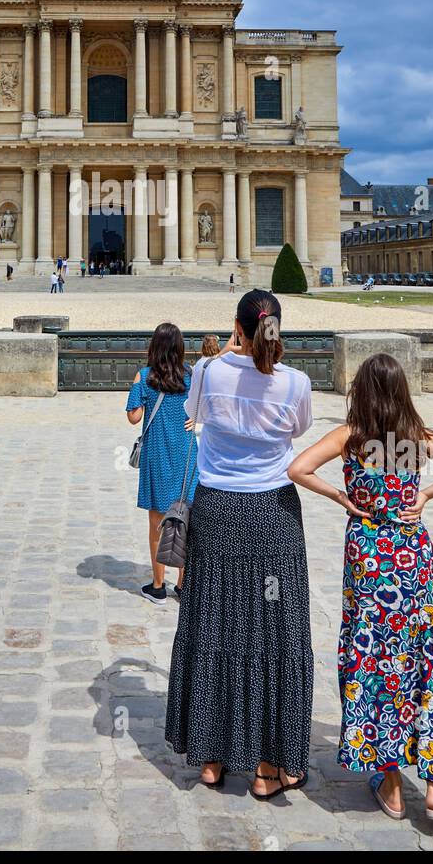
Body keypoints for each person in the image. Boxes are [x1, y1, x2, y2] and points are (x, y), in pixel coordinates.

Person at [288, 353, 433, 825]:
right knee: (422, 658)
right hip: (412, 557)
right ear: (402, 392)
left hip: (368, 562)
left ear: (360, 391)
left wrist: (344, 498)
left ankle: (393, 786)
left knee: (371, 658)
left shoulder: (350, 437)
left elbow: (297, 469)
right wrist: (424, 495)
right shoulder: (418, 438)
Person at [165, 289, 314, 797]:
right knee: (274, 635)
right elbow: (297, 430)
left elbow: (195, 413)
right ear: (277, 328)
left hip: (218, 511)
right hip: (272, 514)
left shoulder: (208, 371)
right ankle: (269, 767)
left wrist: (228, 353)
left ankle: (209, 756)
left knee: (212, 624)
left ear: (237, 326)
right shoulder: (296, 383)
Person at [126, 322, 198, 606]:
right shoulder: (190, 377)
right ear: (180, 348)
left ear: (154, 347)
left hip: (157, 454)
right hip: (186, 452)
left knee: (157, 521)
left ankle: (158, 585)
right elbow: (205, 406)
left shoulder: (144, 376)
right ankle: (182, 583)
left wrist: (135, 387)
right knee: (185, 517)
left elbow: (134, 417)